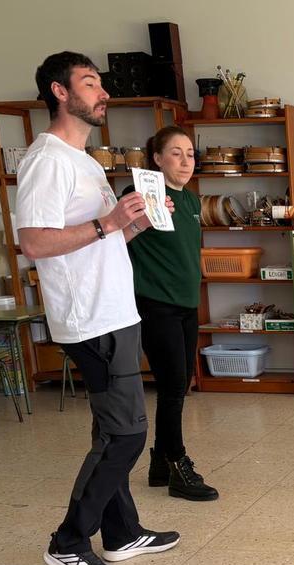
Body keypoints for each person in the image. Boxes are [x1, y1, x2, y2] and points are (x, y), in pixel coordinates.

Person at [17, 51, 178, 565]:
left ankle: (122, 533)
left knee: (112, 430)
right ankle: (68, 541)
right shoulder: (47, 160)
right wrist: (109, 222)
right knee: (127, 436)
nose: (101, 92)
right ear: (60, 92)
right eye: (90, 83)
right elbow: (35, 242)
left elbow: (104, 238)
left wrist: (137, 222)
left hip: (114, 310)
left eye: (101, 83)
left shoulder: (84, 161)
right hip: (90, 320)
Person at [124, 125, 218, 502]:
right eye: (175, 153)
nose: (185, 161)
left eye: (190, 154)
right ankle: (177, 463)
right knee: (173, 387)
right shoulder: (138, 196)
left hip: (185, 304)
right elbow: (117, 240)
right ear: (157, 158)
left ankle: (160, 464)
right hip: (155, 303)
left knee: (179, 385)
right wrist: (140, 215)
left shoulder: (192, 201)